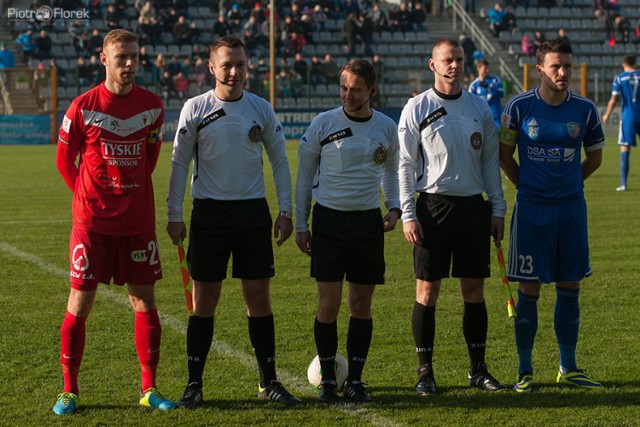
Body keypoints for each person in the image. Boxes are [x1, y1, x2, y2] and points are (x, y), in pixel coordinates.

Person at [166, 35, 300, 409]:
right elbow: (179, 163)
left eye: (240, 64)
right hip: (209, 214)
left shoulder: (261, 108)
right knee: (204, 301)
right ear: (211, 68)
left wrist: (286, 211)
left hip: (252, 214)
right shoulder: (195, 108)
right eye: (226, 64)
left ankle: (268, 381)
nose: (235, 71)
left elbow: (279, 161)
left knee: (258, 298)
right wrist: (174, 214)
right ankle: (194, 384)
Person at [53, 29, 174, 415]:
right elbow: (63, 160)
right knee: (80, 301)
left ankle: (149, 387)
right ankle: (69, 390)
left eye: (135, 57)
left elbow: (150, 158)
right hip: (91, 225)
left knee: (144, 301)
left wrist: (129, 195)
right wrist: (88, 199)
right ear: (103, 59)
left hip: (137, 224)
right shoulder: (83, 106)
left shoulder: (153, 106)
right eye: (121, 57)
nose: (129, 64)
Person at [398, 38, 508, 395]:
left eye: (459, 60)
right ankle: (425, 372)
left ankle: (478, 370)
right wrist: (408, 214)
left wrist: (497, 206)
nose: (455, 66)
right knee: (427, 291)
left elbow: (490, 162)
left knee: (473, 292)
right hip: (433, 208)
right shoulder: (417, 107)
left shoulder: (480, 107)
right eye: (448, 60)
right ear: (433, 65)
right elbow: (404, 165)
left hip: (473, 208)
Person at [499, 39, 605, 392]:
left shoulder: (585, 110)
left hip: (571, 210)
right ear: (540, 68)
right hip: (532, 211)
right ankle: (525, 370)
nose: (563, 73)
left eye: (568, 67)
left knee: (569, 286)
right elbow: (504, 156)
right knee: (528, 290)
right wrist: (528, 187)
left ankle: (568, 366)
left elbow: (594, 159)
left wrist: (568, 186)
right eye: (556, 66)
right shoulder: (518, 107)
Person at [295, 59, 401, 403]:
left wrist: (394, 205)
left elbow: (391, 170)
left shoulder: (386, 127)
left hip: (367, 224)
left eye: (356, 89)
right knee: (329, 304)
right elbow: (303, 178)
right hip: (329, 223)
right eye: (343, 87)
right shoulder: (323, 123)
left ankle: (354, 380)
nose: (348, 95)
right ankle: (328, 380)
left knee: (361, 305)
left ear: (372, 90)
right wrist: (301, 224)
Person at [602, 54, 640, 192]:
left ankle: (624, 184)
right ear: (635, 64)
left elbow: (614, 99)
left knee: (625, 149)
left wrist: (607, 114)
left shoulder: (619, 78)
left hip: (628, 116)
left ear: (623, 64)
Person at [469, 59, 504, 128]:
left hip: (496, 118)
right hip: (481, 119)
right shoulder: (474, 85)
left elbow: (501, 94)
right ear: (478, 68)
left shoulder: (495, 79)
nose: (487, 71)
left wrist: (490, 88)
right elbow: (470, 103)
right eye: (485, 68)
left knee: (499, 138)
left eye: (488, 68)